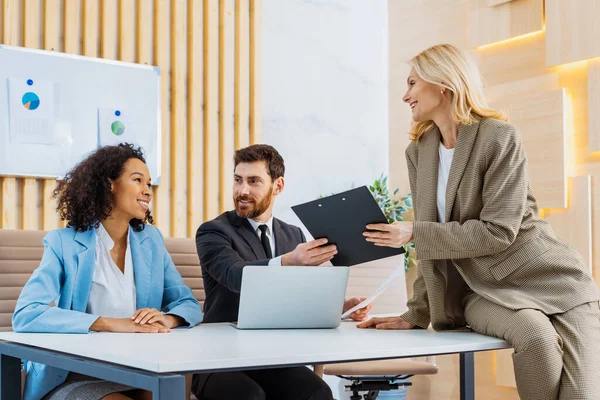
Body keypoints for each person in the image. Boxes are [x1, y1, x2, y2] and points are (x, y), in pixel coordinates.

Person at [358, 44, 600, 400]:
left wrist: (413, 232)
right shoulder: (420, 152)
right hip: (481, 290)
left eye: (412, 83)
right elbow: (432, 245)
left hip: (552, 281)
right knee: (536, 339)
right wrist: (417, 312)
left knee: (582, 395)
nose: (405, 95)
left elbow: (499, 231)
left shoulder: (500, 138)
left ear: (443, 83)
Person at [13, 143, 203, 400]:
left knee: (176, 385)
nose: (147, 190)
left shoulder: (151, 242)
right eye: (137, 180)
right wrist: (108, 324)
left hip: (140, 368)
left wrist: (167, 319)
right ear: (109, 184)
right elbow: (26, 314)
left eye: (149, 183)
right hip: (76, 375)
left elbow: (187, 303)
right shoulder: (64, 243)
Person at [193, 144, 372, 400]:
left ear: (278, 186)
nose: (242, 190)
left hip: (273, 358)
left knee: (317, 393)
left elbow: (299, 297)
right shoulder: (213, 232)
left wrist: (342, 308)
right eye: (237, 180)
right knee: (249, 396)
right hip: (218, 360)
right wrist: (288, 261)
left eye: (254, 181)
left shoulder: (292, 235)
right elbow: (234, 275)